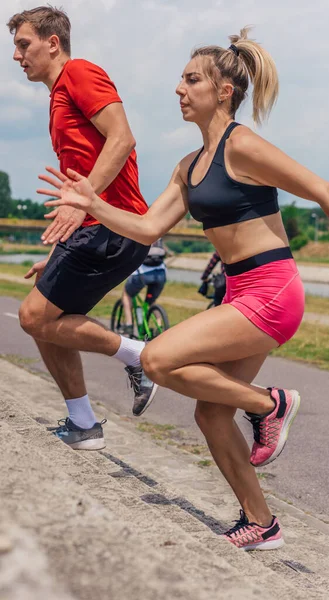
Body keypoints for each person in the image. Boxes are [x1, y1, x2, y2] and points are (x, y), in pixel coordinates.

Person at [37, 27, 329, 550]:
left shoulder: (243, 145)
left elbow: (323, 189)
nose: (179, 90)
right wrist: (92, 203)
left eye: (190, 80)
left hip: (273, 289)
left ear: (223, 90)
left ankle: (268, 405)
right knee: (209, 412)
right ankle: (262, 522)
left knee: (158, 360)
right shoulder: (188, 167)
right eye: (179, 81)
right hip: (240, 293)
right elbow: (145, 228)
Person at [7, 6, 157, 451]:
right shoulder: (57, 97)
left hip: (115, 225)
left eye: (23, 44)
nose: (17, 56)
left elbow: (123, 137)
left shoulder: (79, 73)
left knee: (32, 317)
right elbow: (80, 186)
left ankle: (140, 356)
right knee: (45, 319)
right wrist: (56, 252)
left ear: (53, 42)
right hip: (95, 226)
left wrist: (87, 198)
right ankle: (83, 424)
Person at [122, 239, 167, 336]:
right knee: (151, 301)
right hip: (161, 274)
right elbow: (165, 251)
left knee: (127, 294)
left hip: (142, 274)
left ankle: (129, 325)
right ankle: (159, 327)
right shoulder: (158, 236)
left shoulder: (138, 233)